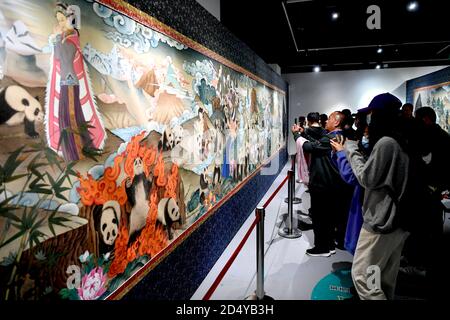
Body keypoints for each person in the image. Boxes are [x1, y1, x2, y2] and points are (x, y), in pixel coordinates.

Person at [344, 93, 410, 300]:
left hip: (381, 221)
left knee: (364, 277)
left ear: (380, 115)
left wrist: (351, 149)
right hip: (398, 221)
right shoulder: (402, 139)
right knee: (382, 276)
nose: (368, 119)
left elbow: (367, 179)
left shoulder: (386, 143)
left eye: (372, 114)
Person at [45, 2, 106, 162]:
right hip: (67, 81)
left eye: (62, 19)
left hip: (70, 82)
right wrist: (58, 38)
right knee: (66, 116)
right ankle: (73, 151)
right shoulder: (65, 38)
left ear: (70, 19)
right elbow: (58, 57)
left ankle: (77, 152)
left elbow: (64, 57)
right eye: (58, 20)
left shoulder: (73, 37)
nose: (60, 23)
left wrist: (58, 37)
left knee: (70, 115)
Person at [292, 111, 353, 257]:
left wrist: (296, 135)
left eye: (330, 119)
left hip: (322, 183)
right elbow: (317, 140)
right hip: (331, 183)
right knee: (328, 217)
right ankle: (329, 245)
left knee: (320, 218)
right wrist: (303, 133)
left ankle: (322, 248)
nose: (326, 121)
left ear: (337, 122)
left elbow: (309, 147)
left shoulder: (332, 138)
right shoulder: (336, 136)